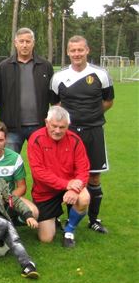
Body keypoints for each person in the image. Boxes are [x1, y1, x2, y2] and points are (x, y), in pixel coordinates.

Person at [50, 35, 114, 234]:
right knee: (67, 175)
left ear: (87, 50)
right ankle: (68, 218)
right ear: (68, 52)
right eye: (73, 51)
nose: (77, 54)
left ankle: (94, 220)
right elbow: (56, 105)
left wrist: (91, 116)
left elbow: (108, 101)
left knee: (94, 177)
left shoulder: (100, 74)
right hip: (68, 134)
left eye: (80, 50)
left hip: (93, 132)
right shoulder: (58, 77)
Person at [28, 106, 91, 248]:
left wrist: (75, 189)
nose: (57, 131)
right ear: (46, 122)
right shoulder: (36, 139)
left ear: (68, 125)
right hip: (45, 191)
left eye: (62, 127)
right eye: (54, 126)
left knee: (84, 198)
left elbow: (83, 169)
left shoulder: (75, 140)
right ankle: (54, 218)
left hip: (70, 186)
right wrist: (66, 185)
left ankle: (69, 230)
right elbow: (38, 172)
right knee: (46, 238)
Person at [0, 28, 53, 153]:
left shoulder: (45, 66)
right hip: (12, 128)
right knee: (10, 166)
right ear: (15, 43)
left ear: (33, 43)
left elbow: (51, 95)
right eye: (21, 41)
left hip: (40, 126)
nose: (24, 45)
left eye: (28, 41)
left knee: (42, 165)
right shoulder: (4, 67)